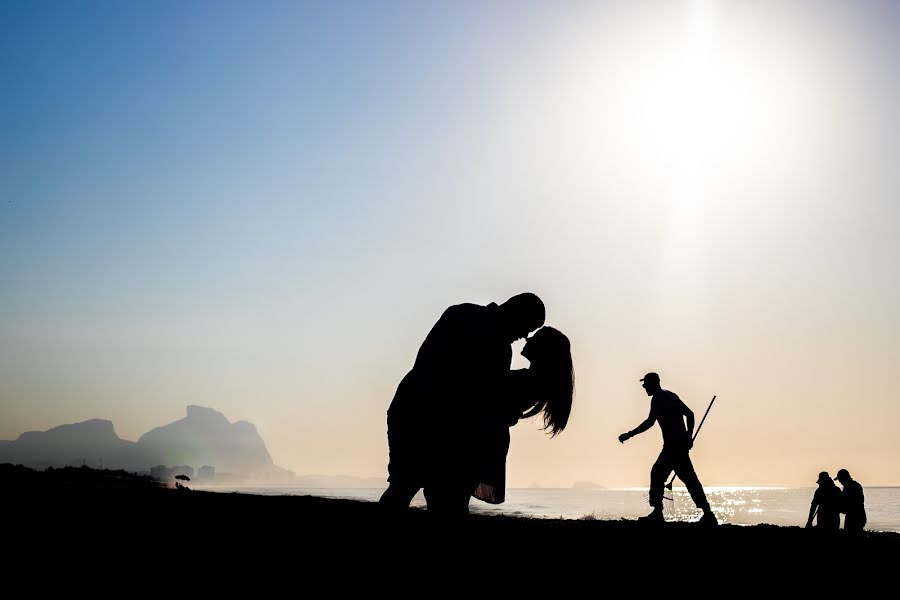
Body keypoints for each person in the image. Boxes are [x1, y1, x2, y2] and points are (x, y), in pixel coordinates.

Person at [379, 292, 545, 516]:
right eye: (527, 327)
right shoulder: (473, 323)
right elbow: (476, 391)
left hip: (420, 412)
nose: (524, 335)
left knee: (408, 488)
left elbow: (485, 394)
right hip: (424, 415)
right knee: (418, 491)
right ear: (516, 313)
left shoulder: (466, 316)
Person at [472, 326, 575, 504]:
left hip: (483, 439)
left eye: (534, 338)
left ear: (543, 350)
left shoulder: (528, 381)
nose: (528, 339)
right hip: (488, 439)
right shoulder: (533, 381)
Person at [618, 372, 717, 525]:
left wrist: (629, 434)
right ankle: (708, 514)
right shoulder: (671, 395)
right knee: (690, 479)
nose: (644, 387)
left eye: (645, 384)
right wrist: (688, 437)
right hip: (679, 446)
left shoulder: (657, 398)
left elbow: (650, 422)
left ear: (652, 384)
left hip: (672, 447)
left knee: (657, 473)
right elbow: (690, 414)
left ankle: (658, 513)